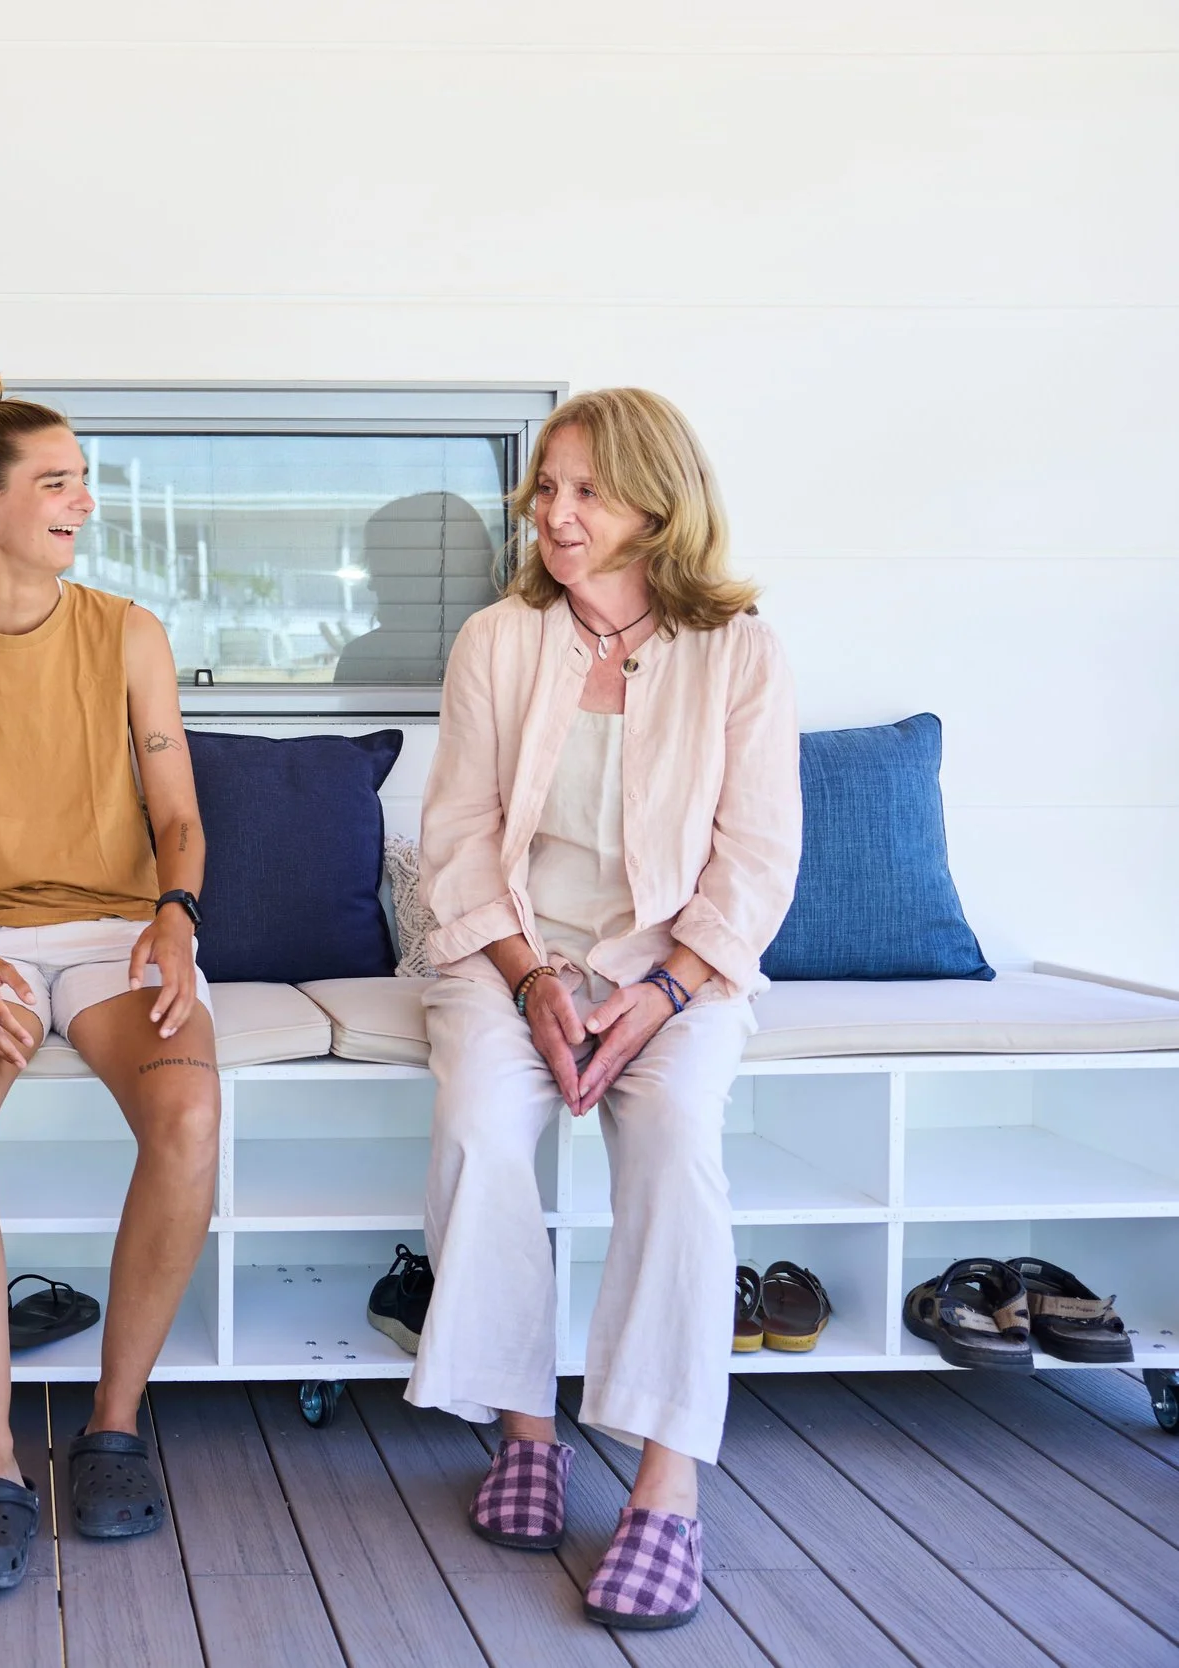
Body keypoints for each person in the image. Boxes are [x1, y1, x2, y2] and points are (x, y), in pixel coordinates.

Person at [411, 388, 798, 1629]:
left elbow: (756, 859)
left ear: (655, 505)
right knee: (478, 1126)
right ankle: (526, 1429)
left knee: (676, 1147)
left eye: (585, 491)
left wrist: (662, 991)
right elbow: (458, 842)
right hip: (509, 953)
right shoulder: (497, 641)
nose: (554, 514)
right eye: (546, 488)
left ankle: (665, 1491)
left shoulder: (738, 648)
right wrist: (530, 983)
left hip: (677, 969)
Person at [0, 376, 220, 1591]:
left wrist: (174, 921)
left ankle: (113, 1428)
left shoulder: (128, 633)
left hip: (119, 929)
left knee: (187, 1113)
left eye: (82, 475)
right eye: (56, 480)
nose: (83, 497)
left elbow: (176, 814)